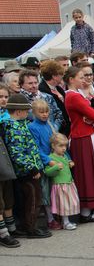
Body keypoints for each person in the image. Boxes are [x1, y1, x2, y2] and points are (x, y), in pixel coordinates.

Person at [64, 66, 94, 223]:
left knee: (90, 171)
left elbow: (93, 115)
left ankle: (88, 209)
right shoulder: (74, 96)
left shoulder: (74, 95)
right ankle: (86, 211)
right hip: (83, 136)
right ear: (71, 79)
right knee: (87, 172)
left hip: (85, 133)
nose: (84, 80)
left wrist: (92, 117)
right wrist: (92, 116)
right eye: (80, 77)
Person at [0, 94, 50, 238]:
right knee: (33, 200)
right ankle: (31, 228)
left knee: (32, 198)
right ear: (18, 111)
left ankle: (29, 226)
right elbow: (17, 153)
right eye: (26, 110)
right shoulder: (13, 128)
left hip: (31, 168)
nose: (28, 113)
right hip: (27, 172)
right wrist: (32, 168)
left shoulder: (21, 125)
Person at [27, 100, 58, 230]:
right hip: (44, 163)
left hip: (54, 160)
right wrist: (47, 160)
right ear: (34, 113)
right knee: (45, 191)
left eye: (46, 112)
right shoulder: (33, 127)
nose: (45, 114)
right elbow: (36, 148)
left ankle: (57, 214)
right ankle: (50, 218)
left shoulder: (49, 125)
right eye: (41, 112)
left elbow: (56, 143)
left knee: (55, 190)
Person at [44, 133, 80, 230]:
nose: (64, 148)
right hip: (60, 185)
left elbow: (66, 162)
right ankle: (66, 222)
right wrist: (55, 167)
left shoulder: (64, 156)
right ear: (53, 146)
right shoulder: (51, 158)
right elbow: (47, 172)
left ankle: (66, 221)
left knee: (69, 203)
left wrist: (70, 162)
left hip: (68, 183)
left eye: (65, 146)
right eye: (61, 146)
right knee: (64, 205)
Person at [0, 84, 19, 246]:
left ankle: (11, 227)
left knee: (8, 195)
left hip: (7, 159)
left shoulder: (8, 115)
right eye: (0, 97)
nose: (3, 100)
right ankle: (3, 232)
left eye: (6, 96)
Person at [39, 60, 70, 136]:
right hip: (55, 130)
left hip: (66, 128)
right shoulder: (42, 89)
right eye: (61, 74)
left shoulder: (58, 88)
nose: (62, 76)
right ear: (54, 76)